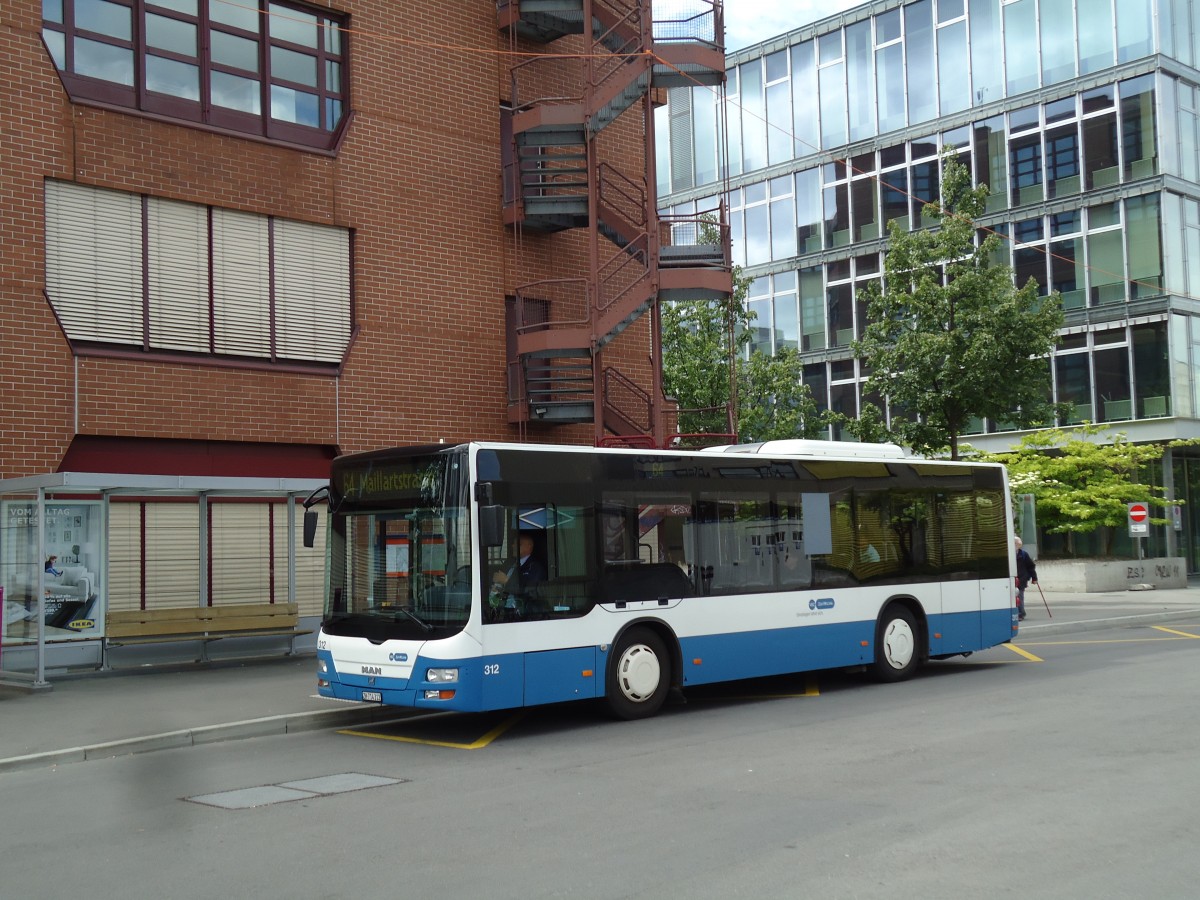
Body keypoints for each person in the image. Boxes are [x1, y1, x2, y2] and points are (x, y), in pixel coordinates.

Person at [491, 533, 546, 602]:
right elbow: (498, 583)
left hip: (522, 609)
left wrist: (506, 581)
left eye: (519, 544)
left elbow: (528, 592)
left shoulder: (535, 568)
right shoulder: (509, 563)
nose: (513, 546)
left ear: (529, 547)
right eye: (513, 544)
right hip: (502, 606)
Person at [1014, 536, 1037, 621]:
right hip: (1011, 579)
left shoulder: (1023, 554)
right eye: (1016, 544)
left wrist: (1034, 578)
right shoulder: (1009, 555)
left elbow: (1031, 566)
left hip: (1021, 579)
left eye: (1019, 544)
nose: (1018, 545)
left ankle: (1021, 614)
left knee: (1019, 597)